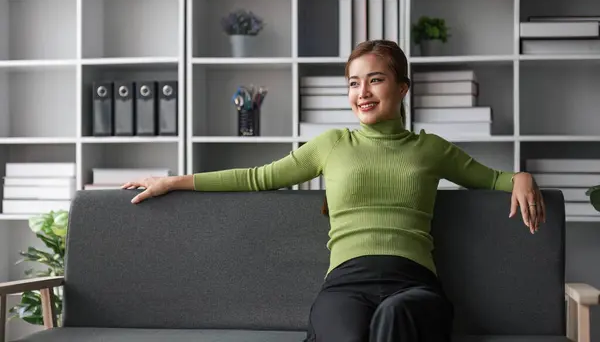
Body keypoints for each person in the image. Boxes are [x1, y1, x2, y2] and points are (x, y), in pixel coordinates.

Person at [122, 40, 545, 342]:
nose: (362, 92)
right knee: (345, 330)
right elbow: (257, 176)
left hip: (413, 284)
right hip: (346, 283)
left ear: (402, 88)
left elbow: (492, 179)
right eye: (353, 83)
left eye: (375, 80)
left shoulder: (429, 148)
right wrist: (173, 181)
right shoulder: (331, 145)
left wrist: (521, 178)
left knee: (397, 317)